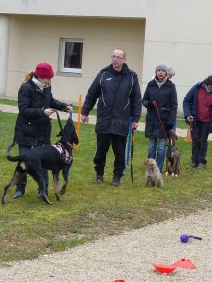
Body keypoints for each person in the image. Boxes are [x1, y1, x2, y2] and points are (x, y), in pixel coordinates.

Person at [81, 48, 142, 186]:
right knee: (101, 151)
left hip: (122, 121)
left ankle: (117, 177)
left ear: (124, 59)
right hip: (104, 119)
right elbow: (92, 94)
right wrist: (85, 111)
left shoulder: (132, 77)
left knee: (119, 152)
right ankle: (99, 175)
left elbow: (137, 100)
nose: (115, 59)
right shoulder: (103, 74)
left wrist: (136, 120)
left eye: (118, 57)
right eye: (113, 56)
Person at [12, 62, 73, 198]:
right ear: (39, 76)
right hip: (26, 131)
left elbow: (51, 101)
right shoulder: (26, 88)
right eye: (47, 78)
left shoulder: (47, 87)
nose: (49, 81)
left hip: (42, 132)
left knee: (44, 162)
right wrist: (42, 112)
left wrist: (63, 107)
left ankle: (43, 190)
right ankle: (20, 189)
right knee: (24, 161)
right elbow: (24, 110)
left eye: (50, 78)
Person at [142, 63, 178, 173]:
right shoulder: (150, 85)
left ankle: (159, 169)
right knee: (152, 147)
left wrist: (170, 122)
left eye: (163, 70)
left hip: (164, 121)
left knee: (162, 147)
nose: (160, 72)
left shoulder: (171, 86)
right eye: (158, 70)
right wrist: (149, 104)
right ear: (156, 72)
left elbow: (174, 105)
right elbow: (144, 100)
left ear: (166, 73)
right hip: (152, 120)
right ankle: (151, 168)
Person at [183, 75, 212, 169]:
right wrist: (187, 114)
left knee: (203, 141)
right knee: (195, 141)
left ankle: (201, 161)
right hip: (195, 119)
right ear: (206, 84)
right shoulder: (197, 88)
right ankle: (194, 161)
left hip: (207, 121)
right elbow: (186, 101)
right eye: (211, 87)